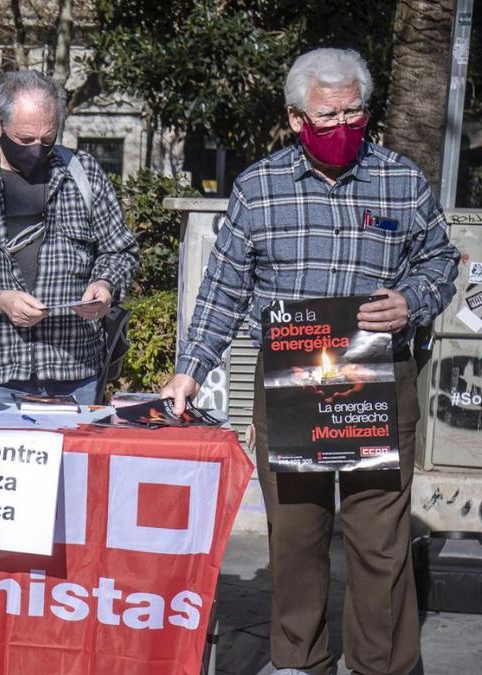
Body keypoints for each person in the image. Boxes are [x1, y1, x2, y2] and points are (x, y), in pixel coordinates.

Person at [161, 49, 460, 675]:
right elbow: (223, 290)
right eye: (329, 116)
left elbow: (440, 262)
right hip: (290, 384)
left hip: (378, 381)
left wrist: (413, 301)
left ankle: (382, 665)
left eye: (355, 111)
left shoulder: (402, 181)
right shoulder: (258, 187)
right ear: (298, 119)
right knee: (295, 535)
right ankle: (300, 660)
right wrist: (190, 368)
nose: (344, 125)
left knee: (379, 540)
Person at [0, 70, 139, 405]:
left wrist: (106, 284)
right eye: (24, 140)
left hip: (75, 370)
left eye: (48, 140)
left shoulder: (82, 172)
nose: (37, 150)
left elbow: (120, 250)